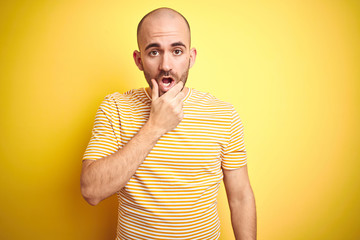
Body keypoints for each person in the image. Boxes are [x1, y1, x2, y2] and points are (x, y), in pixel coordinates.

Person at [80, 7, 256, 240]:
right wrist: (155, 126)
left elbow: (240, 196)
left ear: (191, 57)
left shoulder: (223, 114)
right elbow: (91, 191)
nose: (166, 65)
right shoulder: (115, 108)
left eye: (177, 51)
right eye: (154, 52)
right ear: (139, 59)